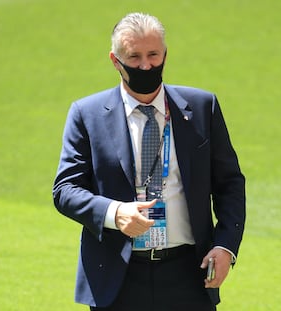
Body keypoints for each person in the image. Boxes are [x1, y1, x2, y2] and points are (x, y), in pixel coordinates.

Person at [53, 12, 246, 311]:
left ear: (165, 54)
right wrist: (115, 213)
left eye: (154, 55)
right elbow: (65, 190)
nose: (146, 65)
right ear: (115, 61)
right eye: (135, 57)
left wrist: (225, 246)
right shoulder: (86, 114)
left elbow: (230, 183)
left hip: (189, 275)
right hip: (118, 277)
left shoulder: (201, 107)